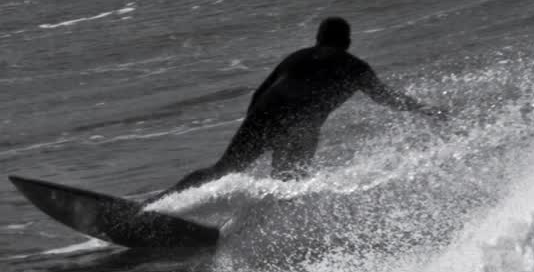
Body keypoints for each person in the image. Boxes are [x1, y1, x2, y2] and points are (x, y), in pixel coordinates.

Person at [168, 16, 447, 191]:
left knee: (224, 169)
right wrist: (426, 110)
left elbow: (259, 94)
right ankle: (261, 232)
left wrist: (257, 128)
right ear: (347, 41)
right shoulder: (355, 67)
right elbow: (387, 99)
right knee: (287, 186)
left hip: (266, 115)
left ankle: (159, 204)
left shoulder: (297, 57)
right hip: (302, 127)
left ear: (318, 39)